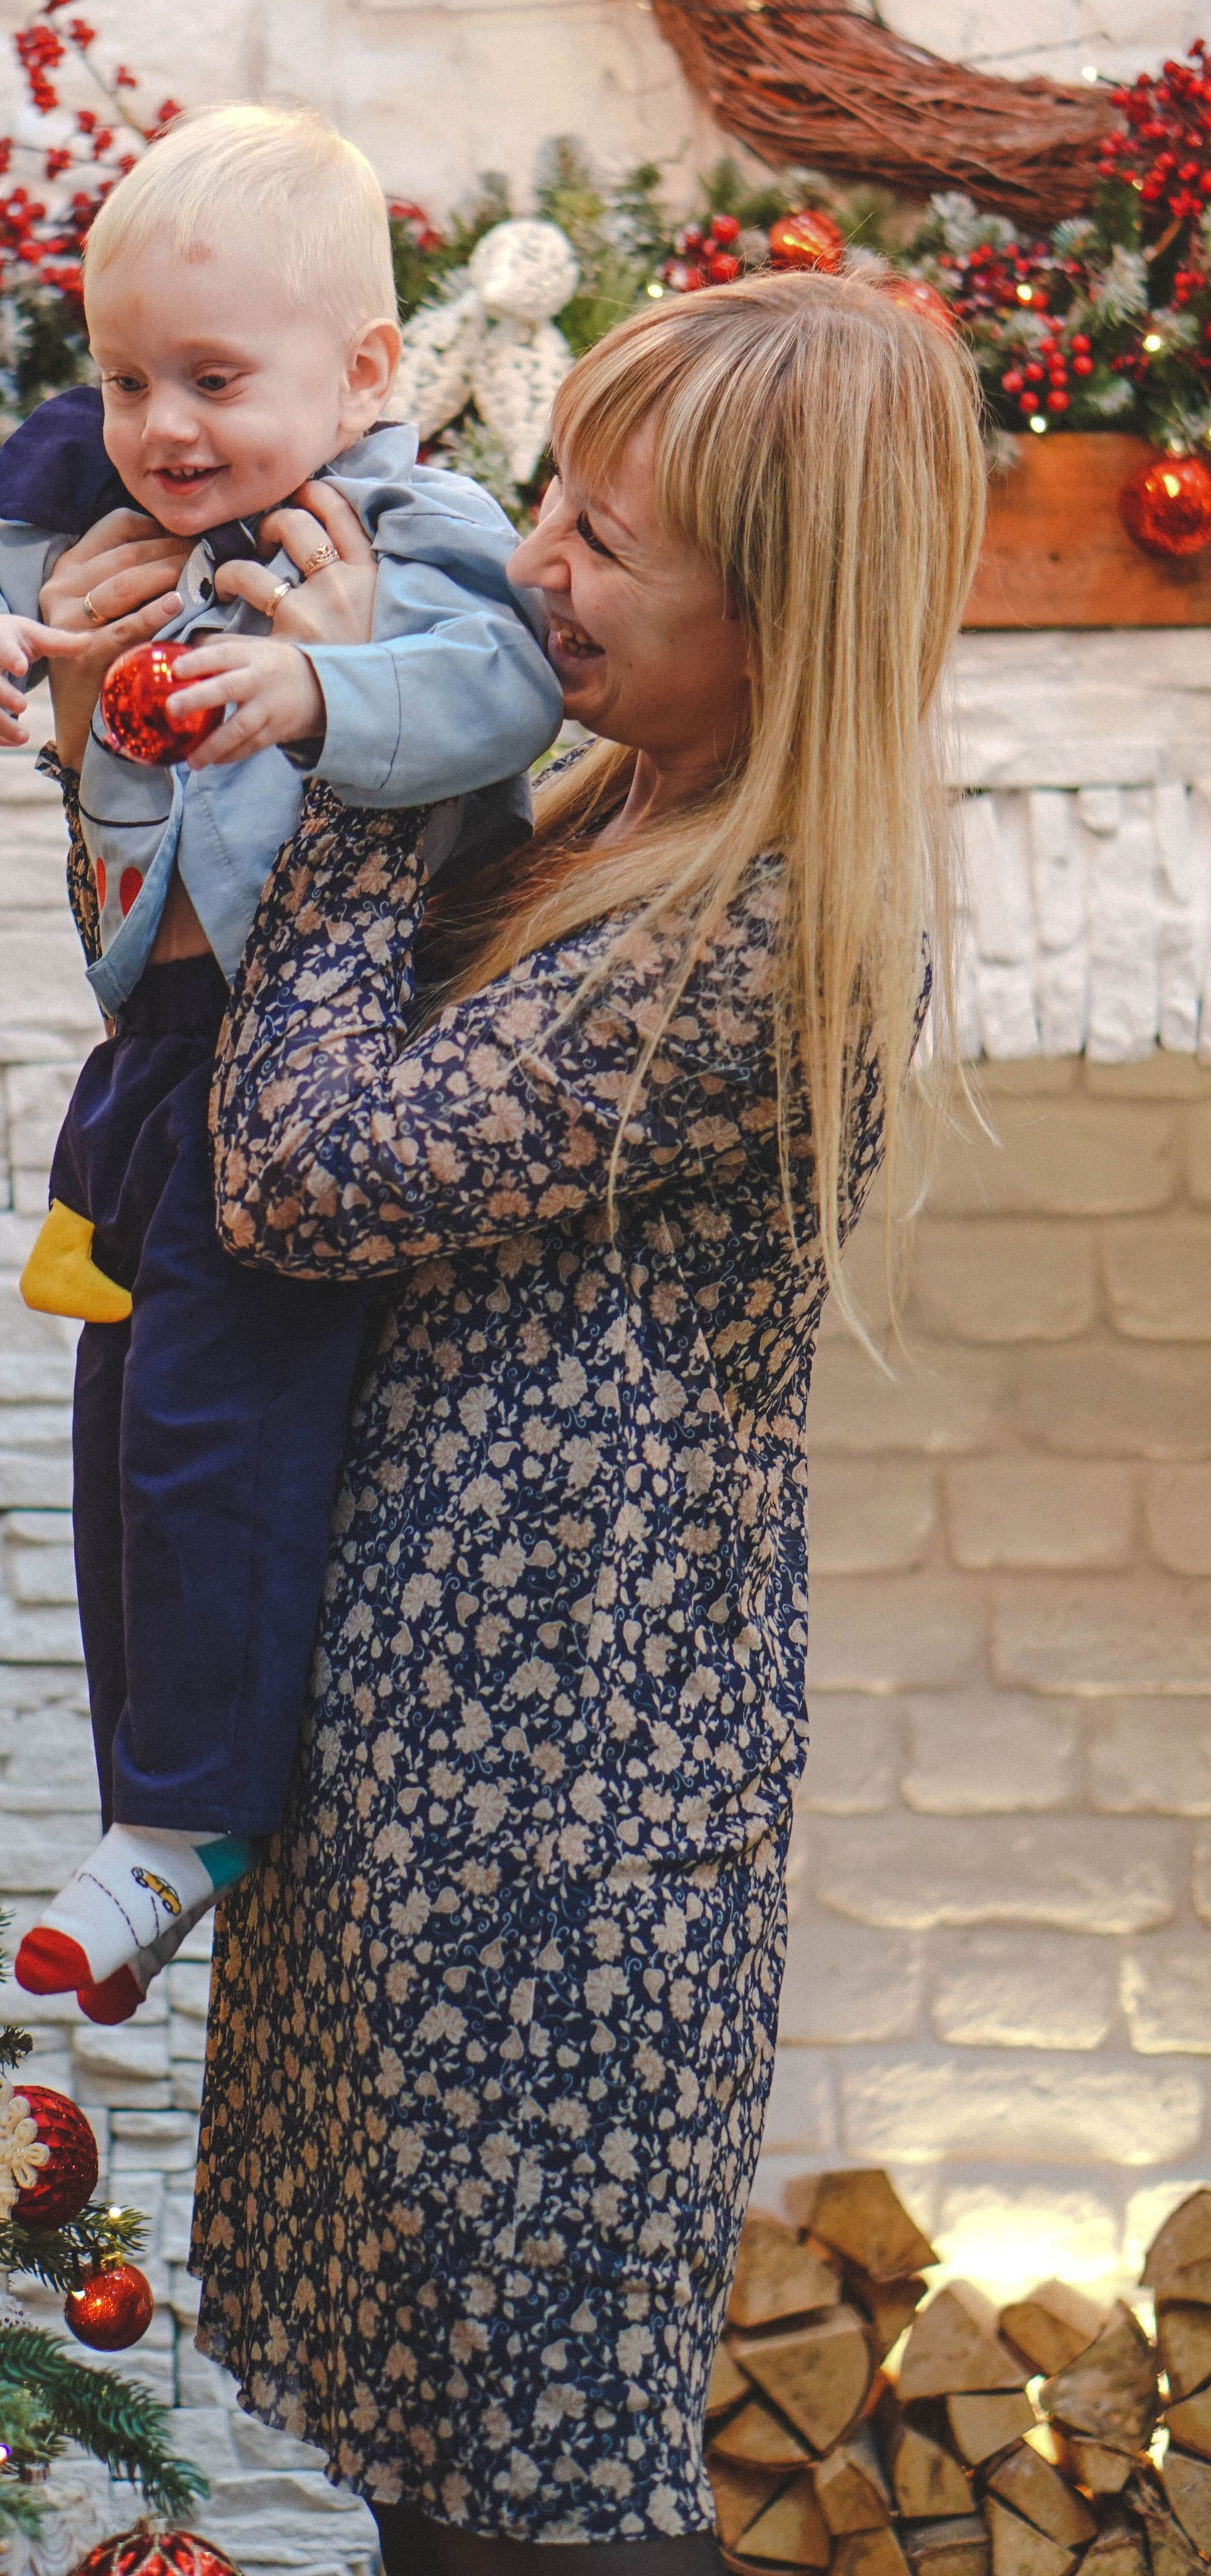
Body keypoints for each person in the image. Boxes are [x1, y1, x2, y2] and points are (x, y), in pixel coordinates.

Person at [193, 272, 984, 2565]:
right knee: (427, 2469)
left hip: (563, 1842)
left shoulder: (777, 924)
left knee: (537, 2499)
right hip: (414, 1787)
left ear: (786, 623)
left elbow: (309, 1171)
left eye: (615, 543)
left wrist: (353, 746)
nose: (541, 560)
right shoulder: (582, 806)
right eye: (556, 492)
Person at [0, 106, 562, 2020]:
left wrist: (318, 685)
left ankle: (189, 1814)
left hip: (314, 1064)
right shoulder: (102, 517)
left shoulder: (402, 531)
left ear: (362, 376)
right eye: (123, 380)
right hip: (156, 1059)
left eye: (212, 380)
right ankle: (145, 1798)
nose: (162, 427)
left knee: (215, 1422)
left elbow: (501, 684)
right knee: (118, 1435)